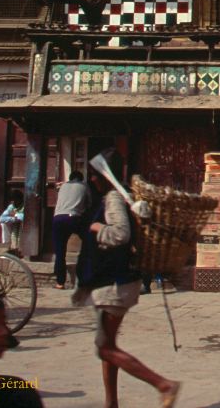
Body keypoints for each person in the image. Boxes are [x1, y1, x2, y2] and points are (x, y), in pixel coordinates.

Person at [73, 149, 180, 408]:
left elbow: (121, 235)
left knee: (105, 348)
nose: (92, 180)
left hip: (114, 283)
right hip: (114, 281)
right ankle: (111, 403)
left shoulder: (113, 198)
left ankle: (163, 385)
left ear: (104, 176)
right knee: (107, 345)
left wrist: (97, 228)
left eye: (95, 175)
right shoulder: (122, 195)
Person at [52, 170, 91, 290]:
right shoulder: (84, 186)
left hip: (58, 218)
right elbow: (89, 204)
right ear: (81, 179)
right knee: (89, 243)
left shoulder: (63, 186)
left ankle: (60, 282)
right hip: (74, 218)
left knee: (60, 252)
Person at [0, 192, 24, 257]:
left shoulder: (24, 205)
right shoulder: (11, 206)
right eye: (12, 200)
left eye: (15, 199)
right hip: (14, 224)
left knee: (21, 228)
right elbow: (1, 218)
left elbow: (25, 217)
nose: (13, 202)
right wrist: (13, 219)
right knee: (11, 229)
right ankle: (13, 248)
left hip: (23, 226)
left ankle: (20, 249)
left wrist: (16, 215)